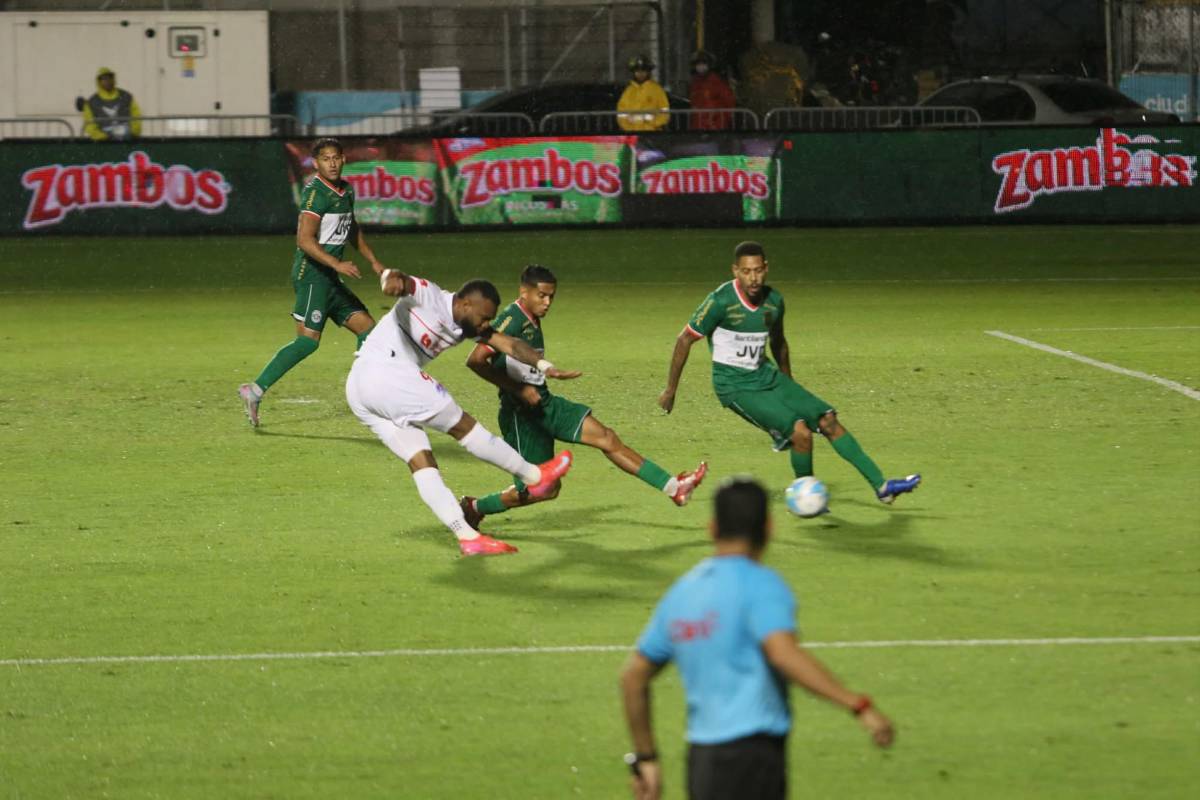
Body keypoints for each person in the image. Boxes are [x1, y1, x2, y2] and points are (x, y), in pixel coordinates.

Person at [620, 477, 895, 800]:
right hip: (752, 757)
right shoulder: (761, 584)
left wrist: (647, 758)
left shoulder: (682, 593)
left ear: (712, 528)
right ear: (768, 528)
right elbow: (782, 653)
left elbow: (632, 679)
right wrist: (857, 705)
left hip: (702, 760)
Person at [658, 241, 920, 505]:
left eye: (759, 270)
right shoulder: (720, 301)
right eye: (747, 271)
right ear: (735, 270)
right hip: (735, 386)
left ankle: (882, 486)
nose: (754, 278)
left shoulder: (774, 302)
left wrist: (788, 381)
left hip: (769, 377)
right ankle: (806, 497)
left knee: (828, 420)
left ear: (766, 268)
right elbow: (684, 340)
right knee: (801, 433)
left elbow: (779, 342)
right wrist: (671, 390)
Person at [346, 268, 580, 556]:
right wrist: (390, 281)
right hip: (387, 373)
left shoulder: (467, 323)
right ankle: (535, 477)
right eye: (484, 317)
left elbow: (508, 343)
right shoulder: (431, 296)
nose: (486, 323)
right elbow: (402, 281)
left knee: (422, 461)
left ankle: (467, 536)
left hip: (362, 389)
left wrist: (545, 366)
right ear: (465, 304)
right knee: (463, 426)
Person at [460, 265, 708, 529]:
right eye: (542, 296)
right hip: (521, 417)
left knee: (607, 438)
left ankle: (674, 488)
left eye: (551, 297)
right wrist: (517, 389)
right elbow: (475, 360)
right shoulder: (512, 319)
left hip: (545, 405)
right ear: (524, 292)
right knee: (541, 490)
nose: (547, 303)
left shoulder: (531, 319)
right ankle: (475, 508)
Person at [239, 138, 385, 428]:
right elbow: (304, 240)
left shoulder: (345, 191)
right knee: (307, 342)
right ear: (316, 164)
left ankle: (367, 394)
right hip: (312, 276)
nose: (331, 163)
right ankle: (253, 391)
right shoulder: (315, 194)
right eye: (325, 159)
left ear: (343, 159)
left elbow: (351, 227)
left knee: (369, 331)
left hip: (329, 278)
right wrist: (337, 264)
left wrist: (373, 260)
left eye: (336, 157)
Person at [82, 67, 141, 141]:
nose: (107, 81)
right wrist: (103, 137)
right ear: (99, 81)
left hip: (127, 141)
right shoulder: (92, 102)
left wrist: (133, 132)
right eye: (104, 79)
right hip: (103, 144)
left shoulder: (126, 96)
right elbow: (89, 123)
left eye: (110, 78)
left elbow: (136, 115)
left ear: (113, 79)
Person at [617, 55, 670, 131]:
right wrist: (629, 129)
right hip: (633, 134)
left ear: (648, 72)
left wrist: (652, 124)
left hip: (652, 134)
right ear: (633, 72)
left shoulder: (657, 90)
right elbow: (621, 114)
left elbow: (665, 112)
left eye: (643, 71)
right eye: (637, 71)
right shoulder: (628, 91)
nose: (640, 74)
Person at [687, 50, 736, 131]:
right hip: (698, 127)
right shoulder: (694, 83)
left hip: (714, 128)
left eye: (703, 64)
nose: (701, 67)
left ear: (709, 65)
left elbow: (729, 104)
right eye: (698, 64)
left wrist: (718, 124)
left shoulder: (717, 83)